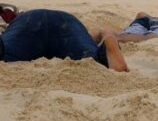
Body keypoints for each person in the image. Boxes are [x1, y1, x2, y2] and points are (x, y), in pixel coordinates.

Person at [0, 9, 128, 71]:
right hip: (65, 21)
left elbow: (91, 34)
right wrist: (105, 34)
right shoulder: (86, 32)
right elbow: (91, 35)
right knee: (89, 59)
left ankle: (105, 41)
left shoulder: (17, 22)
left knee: (6, 54)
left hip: (28, 21)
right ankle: (107, 43)